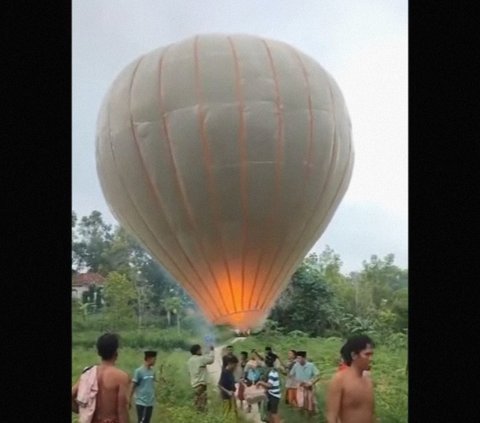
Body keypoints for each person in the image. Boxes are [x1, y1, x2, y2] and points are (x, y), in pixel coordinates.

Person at [72, 333, 130, 423]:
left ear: (99, 352)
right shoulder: (121, 377)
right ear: (116, 352)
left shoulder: (88, 373)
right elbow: (122, 410)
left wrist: (83, 411)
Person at [326, 335, 376, 423]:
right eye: (367, 354)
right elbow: (332, 416)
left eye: (372, 354)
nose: (371, 359)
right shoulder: (339, 379)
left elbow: (371, 413)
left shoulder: (368, 380)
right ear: (354, 355)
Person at [289, 351, 321, 417]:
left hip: (309, 387)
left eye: (299, 358)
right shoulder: (296, 365)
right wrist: (296, 381)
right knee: (300, 405)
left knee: (310, 406)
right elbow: (291, 375)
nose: (298, 360)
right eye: (297, 358)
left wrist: (311, 383)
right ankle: (302, 418)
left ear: (304, 358)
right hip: (300, 387)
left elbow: (318, 376)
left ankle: (310, 418)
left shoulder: (311, 365)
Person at [129, 350, 157, 423]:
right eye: (154, 359)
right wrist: (129, 399)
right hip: (141, 402)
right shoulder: (139, 371)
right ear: (148, 359)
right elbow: (133, 386)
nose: (155, 361)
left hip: (150, 402)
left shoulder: (152, 371)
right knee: (142, 421)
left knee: (147, 421)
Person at [187, 343, 215, 412]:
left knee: (197, 403)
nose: (201, 351)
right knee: (202, 403)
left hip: (194, 385)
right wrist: (212, 351)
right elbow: (211, 360)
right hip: (201, 385)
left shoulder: (189, 361)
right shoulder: (200, 359)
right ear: (197, 351)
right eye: (200, 350)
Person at [256, 354, 281, 423]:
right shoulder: (271, 371)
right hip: (271, 394)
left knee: (274, 413)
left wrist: (260, 382)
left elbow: (269, 385)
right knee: (270, 412)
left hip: (274, 395)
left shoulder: (272, 373)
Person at [218, 355, 239, 420]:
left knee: (234, 412)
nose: (235, 367)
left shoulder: (230, 372)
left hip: (232, 396)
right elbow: (219, 385)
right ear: (230, 363)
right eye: (235, 365)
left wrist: (238, 381)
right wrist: (228, 392)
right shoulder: (225, 372)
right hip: (226, 397)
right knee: (226, 413)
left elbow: (230, 381)